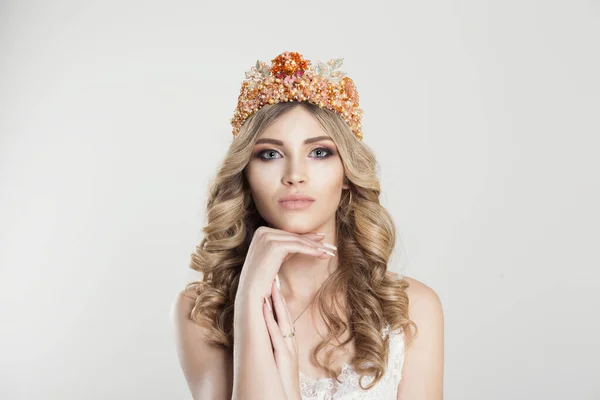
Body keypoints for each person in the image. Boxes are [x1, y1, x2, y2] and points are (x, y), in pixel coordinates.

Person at [170, 51, 444, 400]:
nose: (295, 176)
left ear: (346, 174)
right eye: (270, 154)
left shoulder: (412, 308)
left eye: (319, 153)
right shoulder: (201, 310)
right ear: (246, 174)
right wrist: (250, 297)